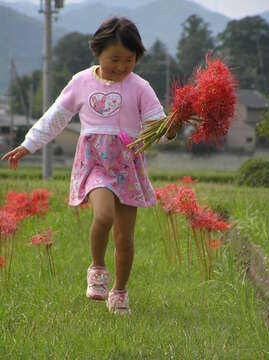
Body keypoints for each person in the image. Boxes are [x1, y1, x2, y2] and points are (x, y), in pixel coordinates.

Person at [2, 17, 177, 314]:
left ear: (138, 57)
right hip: (94, 163)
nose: (122, 67)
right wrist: (28, 144)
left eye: (130, 60)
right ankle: (97, 268)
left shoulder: (140, 87)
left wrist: (172, 127)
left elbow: (158, 127)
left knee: (125, 238)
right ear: (97, 52)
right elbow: (56, 117)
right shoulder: (81, 82)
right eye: (114, 60)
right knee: (104, 214)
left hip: (127, 166)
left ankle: (119, 291)